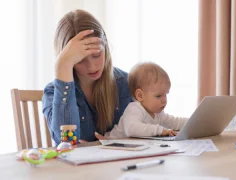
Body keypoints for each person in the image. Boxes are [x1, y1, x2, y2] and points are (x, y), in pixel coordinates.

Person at [42, 9, 132, 145]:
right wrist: (62, 66)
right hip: (77, 166)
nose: (92, 67)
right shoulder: (53, 92)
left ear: (106, 47)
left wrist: (112, 143)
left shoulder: (125, 82)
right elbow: (66, 143)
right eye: (80, 60)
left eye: (96, 55)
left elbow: (149, 130)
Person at [105, 62, 188, 139]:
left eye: (165, 94)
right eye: (158, 96)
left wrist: (195, 122)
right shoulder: (134, 109)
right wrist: (160, 130)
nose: (164, 100)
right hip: (109, 144)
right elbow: (132, 129)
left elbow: (175, 122)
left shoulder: (158, 113)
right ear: (140, 95)